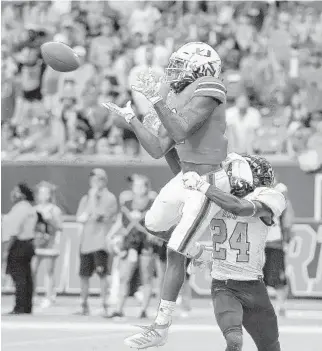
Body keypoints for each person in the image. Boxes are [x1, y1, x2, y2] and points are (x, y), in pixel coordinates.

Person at [103, 41, 252, 348]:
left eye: (181, 65)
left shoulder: (211, 86)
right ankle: (202, 253)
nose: (174, 72)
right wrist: (131, 119)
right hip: (188, 177)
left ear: (202, 68)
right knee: (152, 223)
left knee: (174, 250)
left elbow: (181, 131)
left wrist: (157, 101)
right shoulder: (174, 95)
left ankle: (160, 327)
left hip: (209, 177)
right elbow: (159, 148)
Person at [181, 155, 286, 351]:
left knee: (271, 347)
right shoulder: (214, 195)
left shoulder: (269, 197)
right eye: (259, 175)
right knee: (234, 341)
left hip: (254, 286)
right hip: (224, 286)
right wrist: (197, 250)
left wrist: (202, 186)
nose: (264, 181)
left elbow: (240, 208)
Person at [107, 174, 158, 319]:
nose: (137, 188)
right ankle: (119, 308)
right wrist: (110, 234)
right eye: (135, 185)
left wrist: (154, 233)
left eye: (141, 185)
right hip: (131, 241)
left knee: (146, 276)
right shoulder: (127, 203)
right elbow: (120, 220)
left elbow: (159, 220)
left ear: (147, 187)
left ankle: (143, 309)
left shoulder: (152, 203)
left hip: (146, 242)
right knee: (125, 275)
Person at [75, 168, 118, 316]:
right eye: (93, 179)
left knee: (102, 274)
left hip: (101, 242)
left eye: (98, 179)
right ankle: (83, 304)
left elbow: (97, 215)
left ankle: (105, 304)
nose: (95, 182)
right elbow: (80, 217)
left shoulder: (109, 197)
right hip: (86, 242)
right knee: (84, 275)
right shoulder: (85, 198)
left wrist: (93, 198)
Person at [2, 183, 38, 315]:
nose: (13, 194)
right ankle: (27, 306)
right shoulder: (29, 208)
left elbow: (13, 230)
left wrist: (6, 250)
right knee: (26, 276)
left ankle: (20, 306)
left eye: (16, 191)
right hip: (28, 244)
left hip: (19, 244)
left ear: (22, 194)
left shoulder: (20, 208)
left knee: (19, 276)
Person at [263, 182, 294, 317]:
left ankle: (280, 306)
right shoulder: (264, 201)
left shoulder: (283, 205)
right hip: (265, 244)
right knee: (263, 278)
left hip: (274, 243)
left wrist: (286, 241)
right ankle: (274, 306)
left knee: (277, 278)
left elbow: (287, 223)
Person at [33, 181, 63, 308]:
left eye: (45, 193)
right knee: (32, 269)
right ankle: (32, 295)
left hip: (50, 242)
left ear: (50, 195)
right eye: (40, 193)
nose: (42, 195)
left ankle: (48, 296)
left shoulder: (55, 210)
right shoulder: (34, 209)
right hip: (37, 242)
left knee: (48, 271)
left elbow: (60, 226)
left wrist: (49, 219)